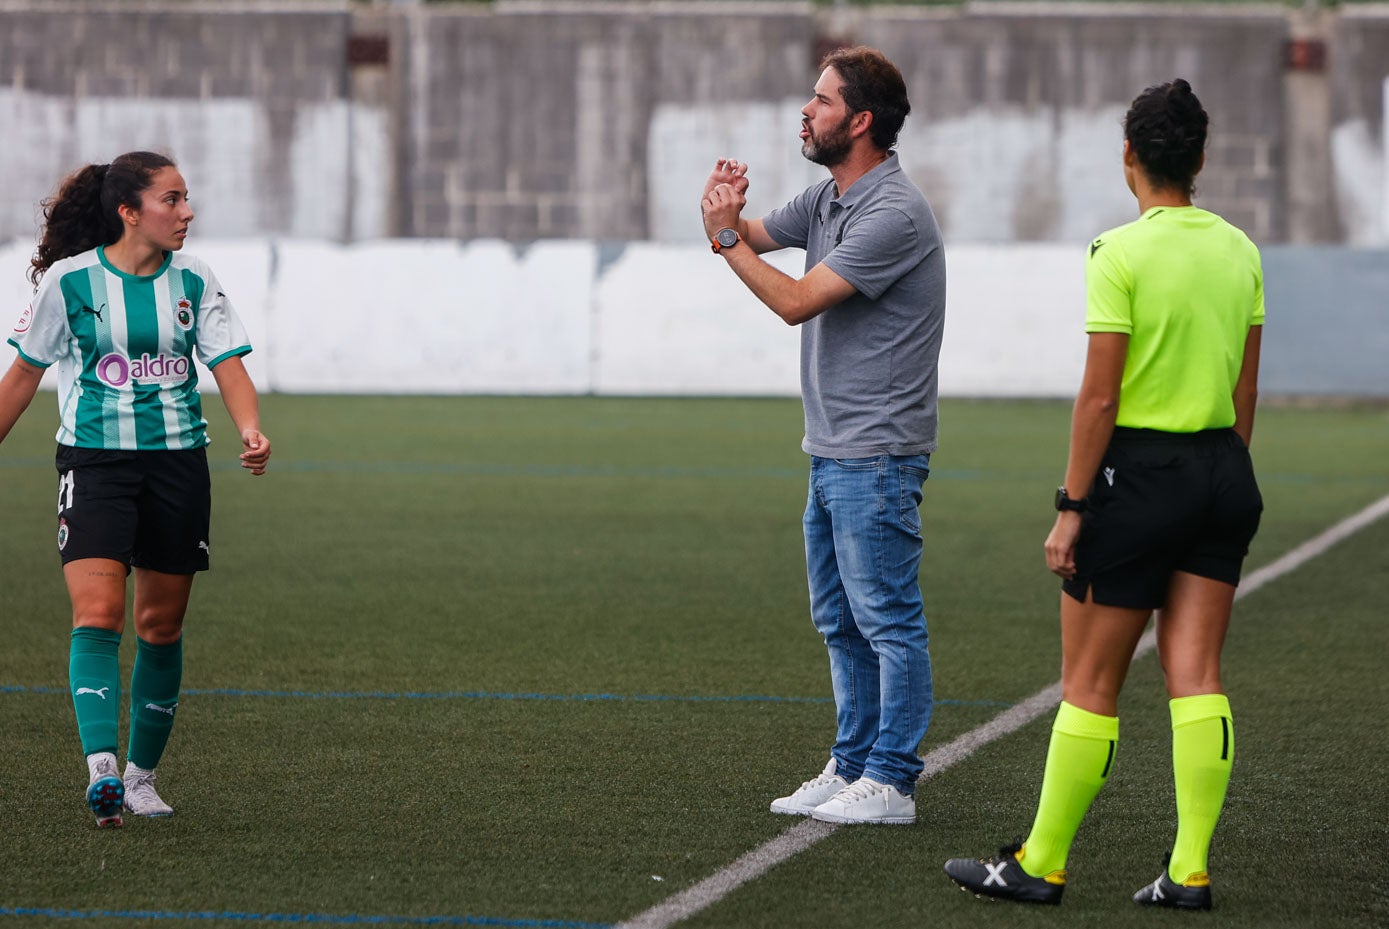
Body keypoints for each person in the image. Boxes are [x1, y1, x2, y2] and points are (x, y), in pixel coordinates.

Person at [944, 79, 1263, 909]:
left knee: (1089, 682)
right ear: (1198, 158)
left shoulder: (1115, 253)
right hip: (1223, 473)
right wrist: (1211, 484)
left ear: (1128, 157)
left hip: (1139, 478)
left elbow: (1097, 398)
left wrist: (1071, 505)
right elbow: (1243, 394)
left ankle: (1040, 863)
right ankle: (1188, 871)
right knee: (1196, 671)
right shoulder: (1240, 249)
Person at [700, 46, 945, 825]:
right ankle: (851, 763)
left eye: (822, 101)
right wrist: (722, 216)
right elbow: (751, 235)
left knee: (887, 618)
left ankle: (892, 780)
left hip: (876, 452)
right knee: (840, 620)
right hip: (833, 448)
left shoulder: (891, 212)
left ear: (860, 121)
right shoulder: (827, 199)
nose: (804, 111)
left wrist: (725, 240)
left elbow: (798, 300)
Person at [0, 150, 272, 827]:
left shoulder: (193, 279)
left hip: (177, 466)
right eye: (172, 199)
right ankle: (102, 771)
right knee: (97, 615)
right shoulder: (70, 282)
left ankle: (142, 777)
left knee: (160, 625)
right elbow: (23, 377)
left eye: (187, 199)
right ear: (130, 211)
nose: (186, 212)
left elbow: (228, 362)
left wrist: (250, 429)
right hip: (94, 466)